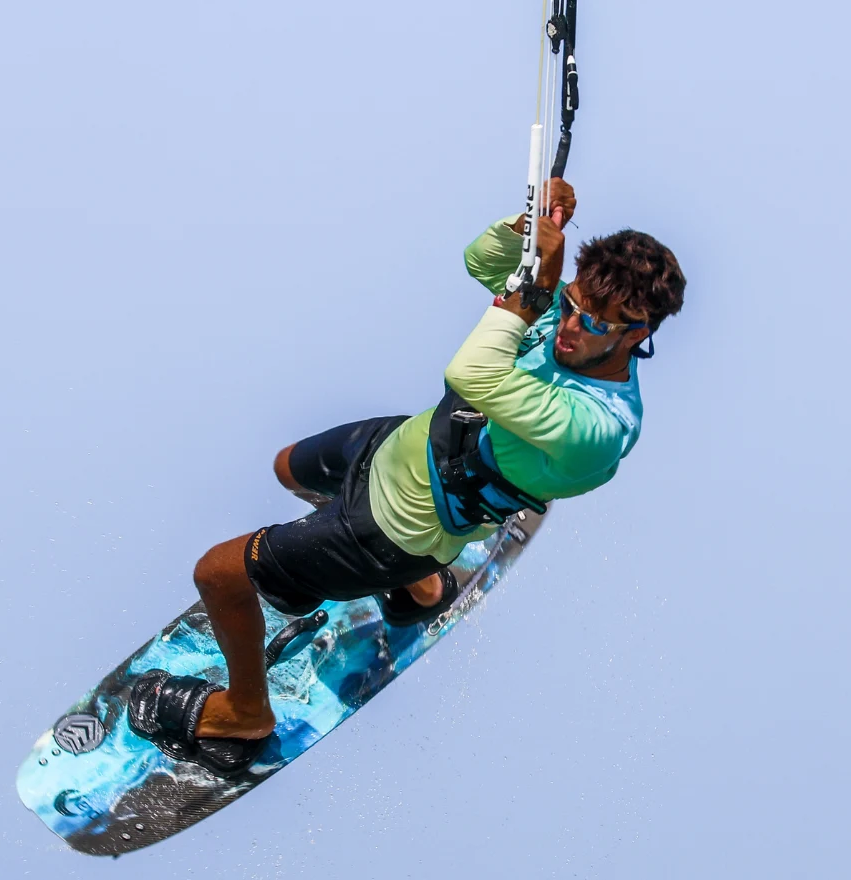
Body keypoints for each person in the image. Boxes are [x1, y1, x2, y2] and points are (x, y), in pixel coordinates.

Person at [128, 178, 687, 776]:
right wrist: (529, 228)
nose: (571, 328)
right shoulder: (570, 316)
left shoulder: (598, 427)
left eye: (596, 324)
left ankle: (244, 713)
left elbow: (471, 374)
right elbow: (484, 260)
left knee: (217, 572)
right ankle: (418, 594)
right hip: (402, 442)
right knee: (287, 466)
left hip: (396, 528)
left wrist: (536, 293)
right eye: (572, 304)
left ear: (639, 333)